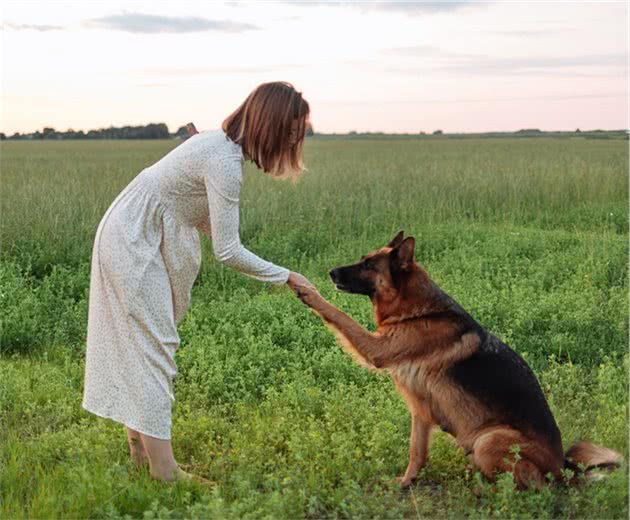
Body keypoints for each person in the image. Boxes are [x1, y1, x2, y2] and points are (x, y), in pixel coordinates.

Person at [81, 81, 314, 483]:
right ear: (271, 125)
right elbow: (228, 251)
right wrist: (287, 277)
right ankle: (165, 471)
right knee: (156, 346)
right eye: (291, 133)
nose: (295, 141)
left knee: (145, 342)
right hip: (134, 238)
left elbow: (191, 210)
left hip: (135, 230)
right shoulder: (222, 160)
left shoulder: (218, 147)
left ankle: (141, 451)